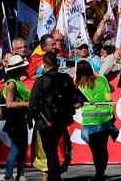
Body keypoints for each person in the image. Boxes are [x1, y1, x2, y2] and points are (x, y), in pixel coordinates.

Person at [30, 52, 79, 181]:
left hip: (47, 121)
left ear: (44, 65)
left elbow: (33, 104)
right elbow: (74, 98)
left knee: (50, 151)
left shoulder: (41, 81)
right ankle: (55, 175)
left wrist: (40, 120)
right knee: (53, 151)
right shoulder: (66, 78)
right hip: (60, 121)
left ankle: (54, 176)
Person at [77, 59, 116, 181]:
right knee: (103, 147)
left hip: (91, 121)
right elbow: (112, 89)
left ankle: (99, 173)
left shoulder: (80, 85)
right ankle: (101, 171)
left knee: (95, 149)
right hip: (106, 117)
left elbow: (77, 103)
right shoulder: (102, 79)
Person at [0, 55, 31, 181]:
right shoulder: (12, 84)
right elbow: (9, 103)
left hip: (20, 119)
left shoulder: (18, 82)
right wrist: (27, 104)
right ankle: (9, 175)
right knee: (16, 148)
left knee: (21, 148)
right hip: (15, 120)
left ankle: (20, 173)